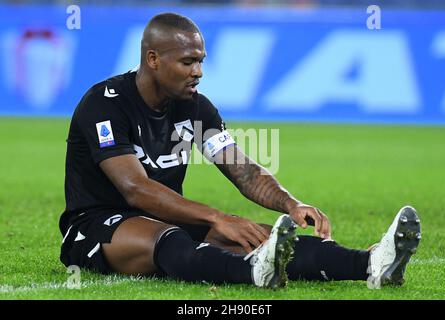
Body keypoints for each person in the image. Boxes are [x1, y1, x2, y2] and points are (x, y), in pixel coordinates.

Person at [59, 13, 421, 289]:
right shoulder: (105, 104)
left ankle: (373, 263)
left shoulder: (195, 108)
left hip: (167, 215)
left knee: (268, 238)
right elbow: (134, 189)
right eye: (187, 61)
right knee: (169, 241)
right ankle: (254, 271)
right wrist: (217, 217)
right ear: (153, 59)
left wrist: (290, 203)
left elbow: (243, 171)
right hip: (97, 225)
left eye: (200, 60)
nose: (198, 72)